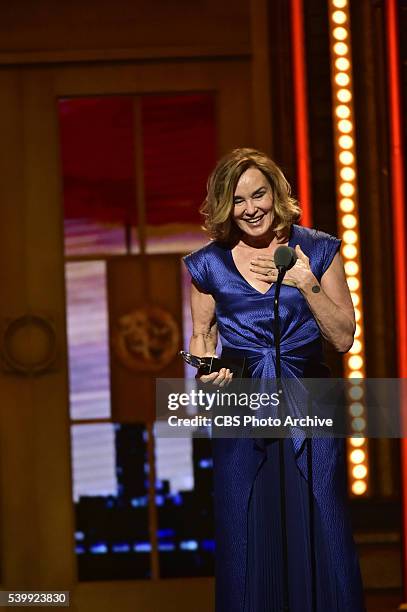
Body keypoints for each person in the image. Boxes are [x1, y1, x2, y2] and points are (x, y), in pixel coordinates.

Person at [183, 148, 365, 612]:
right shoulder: (207, 264)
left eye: (258, 194)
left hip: (311, 405)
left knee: (320, 523)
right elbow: (202, 337)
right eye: (238, 200)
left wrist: (307, 283)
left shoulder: (318, 249)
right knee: (246, 529)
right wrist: (208, 373)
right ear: (225, 207)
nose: (251, 209)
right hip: (242, 411)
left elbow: (343, 338)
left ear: (276, 192)